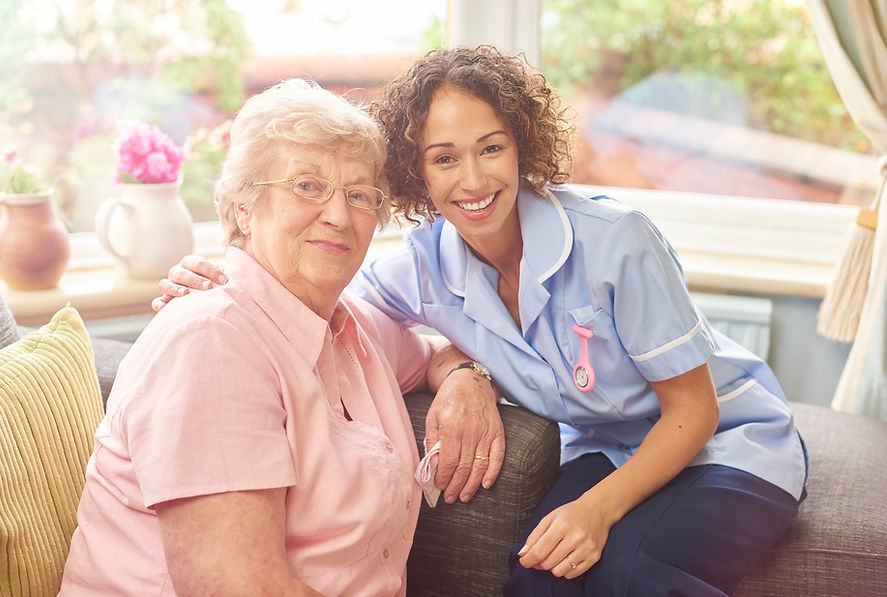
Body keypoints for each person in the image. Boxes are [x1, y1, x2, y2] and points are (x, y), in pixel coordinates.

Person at [154, 46, 808, 596]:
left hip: (724, 444)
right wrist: (220, 276)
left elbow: (694, 410)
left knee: (629, 571)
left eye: (489, 148)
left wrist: (594, 509)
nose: (472, 179)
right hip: (607, 448)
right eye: (443, 158)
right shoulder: (423, 266)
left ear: (521, 146)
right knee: (534, 576)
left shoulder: (617, 241)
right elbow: (318, 305)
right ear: (417, 172)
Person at [59, 78, 501, 597]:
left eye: (358, 195)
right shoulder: (209, 343)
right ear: (243, 207)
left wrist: (469, 379)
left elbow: (433, 353)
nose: (338, 215)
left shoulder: (349, 326)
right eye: (306, 186)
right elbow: (240, 587)